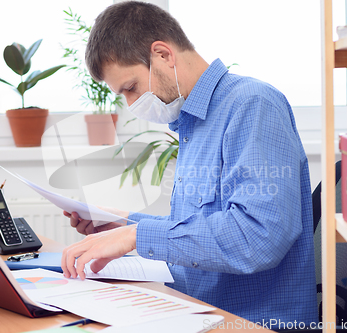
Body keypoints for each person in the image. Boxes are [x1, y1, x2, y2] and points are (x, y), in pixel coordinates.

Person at [61, 1, 317, 326]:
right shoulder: (192, 123)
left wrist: (137, 236)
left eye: (131, 88)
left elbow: (258, 237)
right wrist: (122, 223)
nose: (130, 103)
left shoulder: (252, 106)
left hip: (249, 323)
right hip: (196, 309)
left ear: (163, 55)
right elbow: (207, 223)